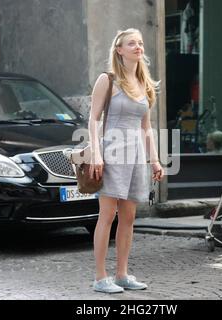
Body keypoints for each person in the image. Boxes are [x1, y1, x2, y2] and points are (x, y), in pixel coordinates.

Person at [89, 28, 164, 293]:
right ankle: (100, 277)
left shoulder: (143, 83)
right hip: (112, 152)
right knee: (107, 215)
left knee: (129, 217)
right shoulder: (107, 80)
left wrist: (154, 160)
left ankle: (121, 274)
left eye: (140, 43)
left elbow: (147, 127)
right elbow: (93, 119)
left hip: (135, 156)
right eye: (131, 43)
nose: (138, 47)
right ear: (119, 49)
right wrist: (97, 154)